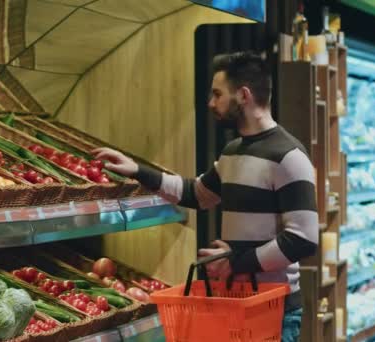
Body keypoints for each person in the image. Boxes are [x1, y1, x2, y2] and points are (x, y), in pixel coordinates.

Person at [92, 51, 318, 342]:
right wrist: (137, 170)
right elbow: (195, 194)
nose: (211, 103)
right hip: (236, 305)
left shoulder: (289, 156)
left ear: (244, 95)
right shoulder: (233, 152)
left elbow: (303, 238)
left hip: (275, 311)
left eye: (217, 94)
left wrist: (236, 262)